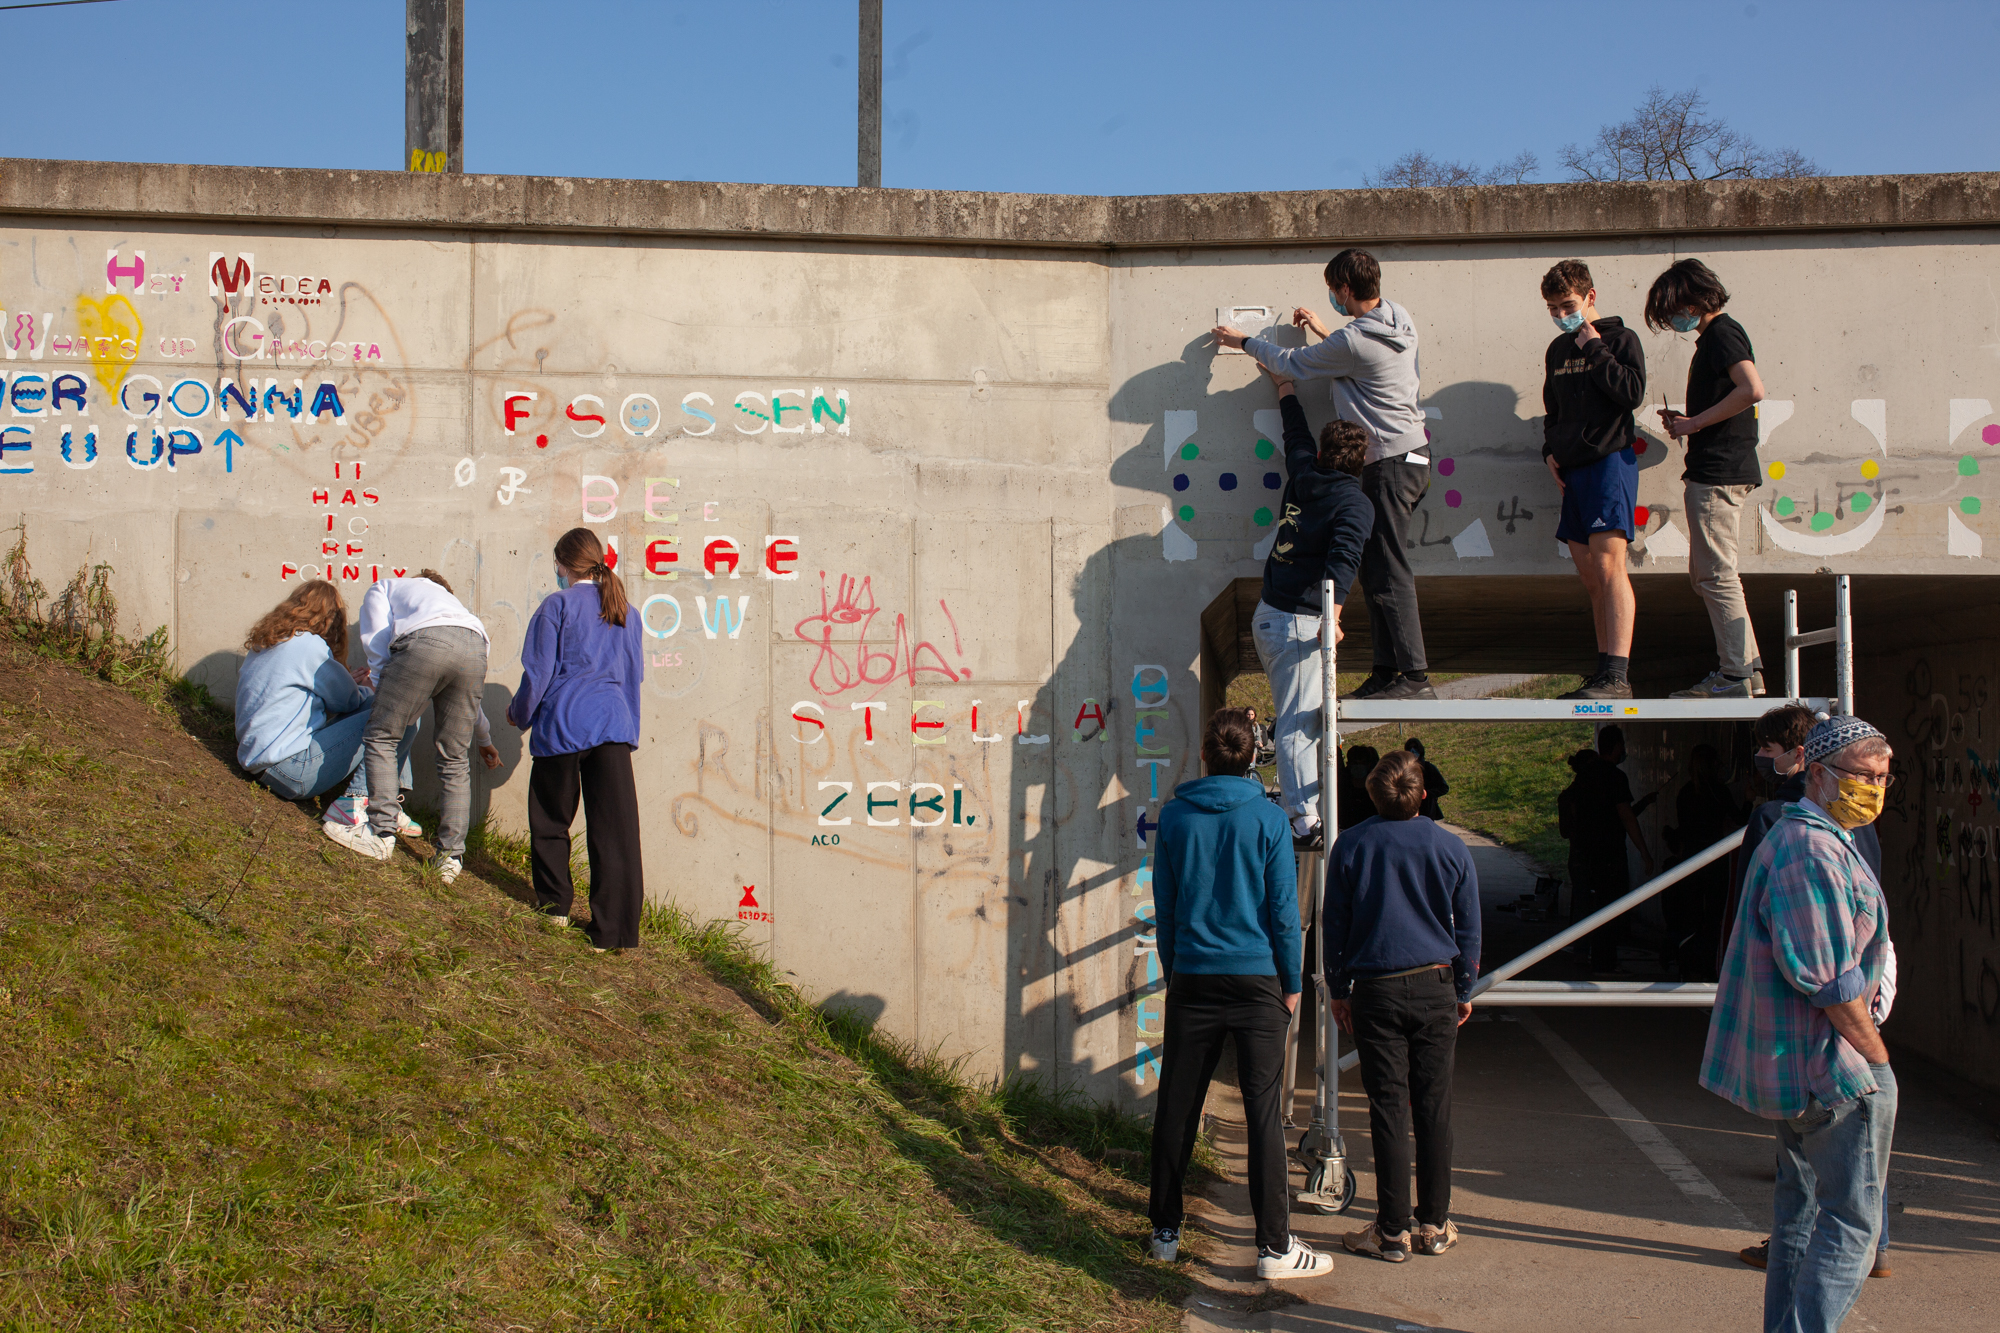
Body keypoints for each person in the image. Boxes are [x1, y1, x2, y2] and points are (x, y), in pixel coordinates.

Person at [1701, 715, 1897, 1333]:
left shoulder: (1816, 837)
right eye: (1862, 776)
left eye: (1884, 777)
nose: (1875, 788)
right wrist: (1877, 1058)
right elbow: (1825, 978)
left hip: (1800, 1065)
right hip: (1831, 1066)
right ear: (1816, 775)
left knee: (1799, 1216)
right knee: (1852, 1226)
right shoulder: (1810, 849)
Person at [1146, 708, 1332, 1280]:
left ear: (1205, 755)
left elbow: (1168, 912)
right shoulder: (1270, 819)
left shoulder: (1174, 818)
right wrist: (1293, 981)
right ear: (1254, 755)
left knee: (1177, 1106)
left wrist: (1177, 973)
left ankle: (1165, 1233)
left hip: (1195, 979)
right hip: (1258, 983)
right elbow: (1283, 910)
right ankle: (1273, 1248)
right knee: (1262, 1116)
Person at [1216, 249, 1434, 701]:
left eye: (1334, 291)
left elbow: (1294, 363)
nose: (1332, 297)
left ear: (1346, 290)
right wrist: (1324, 330)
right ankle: (1386, 670)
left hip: (1388, 463)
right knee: (1375, 569)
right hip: (1411, 454)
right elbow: (1359, 350)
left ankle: (1414, 677)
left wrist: (1242, 341)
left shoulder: (1352, 342)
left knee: (1389, 570)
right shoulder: (1398, 317)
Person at [1326, 750, 1480, 1263]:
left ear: (1370, 795)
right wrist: (1463, 989)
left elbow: (1337, 927)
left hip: (1376, 989)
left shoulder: (1351, 846)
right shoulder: (1450, 846)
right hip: (1436, 984)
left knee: (1388, 1107)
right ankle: (1434, 1224)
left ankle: (1390, 1232)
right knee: (1434, 1105)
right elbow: (1469, 925)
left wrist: (1338, 988)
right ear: (1425, 796)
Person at [1243, 368, 1374, 843]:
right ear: (1363, 463)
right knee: (1300, 723)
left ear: (1322, 454)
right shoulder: (1354, 504)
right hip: (1299, 622)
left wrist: (1285, 388)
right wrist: (1332, 619)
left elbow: (1294, 434)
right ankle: (1305, 821)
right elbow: (1344, 560)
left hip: (1271, 616)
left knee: (1308, 718)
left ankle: (1310, 811)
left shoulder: (1304, 470)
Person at [507, 528, 648, 953]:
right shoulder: (628, 612)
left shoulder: (556, 605)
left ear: (563, 565)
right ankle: (613, 933)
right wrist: (629, 730)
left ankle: (555, 909)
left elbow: (539, 673)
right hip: (613, 727)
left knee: (551, 820)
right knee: (616, 832)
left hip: (563, 726)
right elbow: (633, 677)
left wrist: (518, 715)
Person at [328, 570, 499, 883]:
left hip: (424, 644)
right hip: (476, 646)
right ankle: (450, 857)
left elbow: (377, 645)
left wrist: (384, 694)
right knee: (454, 759)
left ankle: (379, 834)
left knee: (381, 736)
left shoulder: (387, 586)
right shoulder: (457, 610)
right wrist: (485, 739)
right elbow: (472, 704)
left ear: (417, 580)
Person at [1647, 259, 1769, 700]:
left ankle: (1734, 675)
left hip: (1718, 470)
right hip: (1714, 467)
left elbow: (1752, 389)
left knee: (1716, 574)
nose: (1674, 323)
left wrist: (1694, 424)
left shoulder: (1722, 333)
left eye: (1674, 311)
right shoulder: (1714, 338)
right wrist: (1689, 421)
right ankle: (1748, 670)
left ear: (1695, 298)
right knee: (1707, 573)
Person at [233, 580, 421, 840]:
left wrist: (349, 685)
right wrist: (365, 686)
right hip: (291, 771)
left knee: (391, 711)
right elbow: (348, 703)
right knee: (403, 713)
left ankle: (390, 797)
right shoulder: (310, 646)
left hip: (258, 762)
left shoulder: (266, 643)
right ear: (331, 619)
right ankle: (361, 803)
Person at [1540, 259, 1647, 701]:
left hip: (1609, 463)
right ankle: (1604, 671)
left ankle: (1618, 674)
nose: (1560, 314)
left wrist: (1595, 346)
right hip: (1573, 470)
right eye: (1551, 307)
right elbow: (1553, 411)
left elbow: (1631, 394)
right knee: (1589, 576)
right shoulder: (1556, 350)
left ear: (1590, 298)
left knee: (1609, 567)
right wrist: (1549, 451)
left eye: (1567, 305)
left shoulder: (1621, 339)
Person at [1556, 726, 1654, 973]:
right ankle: (1604, 959)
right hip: (1609, 854)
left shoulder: (1584, 775)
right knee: (1611, 907)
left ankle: (1584, 953)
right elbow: (1626, 816)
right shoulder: (1616, 777)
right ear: (1617, 746)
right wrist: (1644, 852)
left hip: (1584, 851)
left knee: (1588, 903)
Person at [1666, 743, 1744, 980]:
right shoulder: (1718, 791)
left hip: (1690, 859)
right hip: (1714, 859)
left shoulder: (1686, 792)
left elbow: (1686, 827)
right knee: (1713, 916)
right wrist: (1750, 799)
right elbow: (1740, 819)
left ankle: (1686, 964)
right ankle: (1708, 965)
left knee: (1690, 915)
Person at [1404, 737, 1449, 822]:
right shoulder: (1405, 769)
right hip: (1410, 810)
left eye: (1415, 750)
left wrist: (1427, 793)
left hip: (1427, 810)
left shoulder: (1429, 768)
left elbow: (1444, 788)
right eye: (1410, 750)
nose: (1413, 753)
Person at [1338, 744, 1382, 831]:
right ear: (1348, 765)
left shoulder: (1376, 789)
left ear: (1369, 765)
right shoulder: (1342, 787)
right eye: (1355, 763)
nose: (1358, 767)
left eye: (1362, 763)